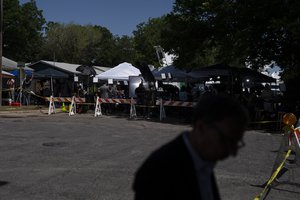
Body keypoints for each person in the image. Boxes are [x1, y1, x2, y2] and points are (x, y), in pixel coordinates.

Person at [133, 94, 249, 200]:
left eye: (236, 143)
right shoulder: (159, 171)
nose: (232, 152)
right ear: (201, 127)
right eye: (227, 140)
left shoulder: (203, 160)